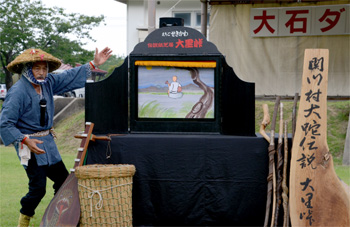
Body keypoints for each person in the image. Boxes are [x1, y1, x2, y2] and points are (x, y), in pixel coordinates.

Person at [0, 47, 112, 226]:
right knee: (38, 188)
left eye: (44, 68)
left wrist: (93, 64)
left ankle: (55, 218)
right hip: (29, 145)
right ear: (28, 69)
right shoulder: (18, 92)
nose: (42, 72)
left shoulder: (48, 82)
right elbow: (5, 123)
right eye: (37, 68)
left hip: (48, 144)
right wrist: (25, 140)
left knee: (63, 182)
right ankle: (24, 220)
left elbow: (68, 77)